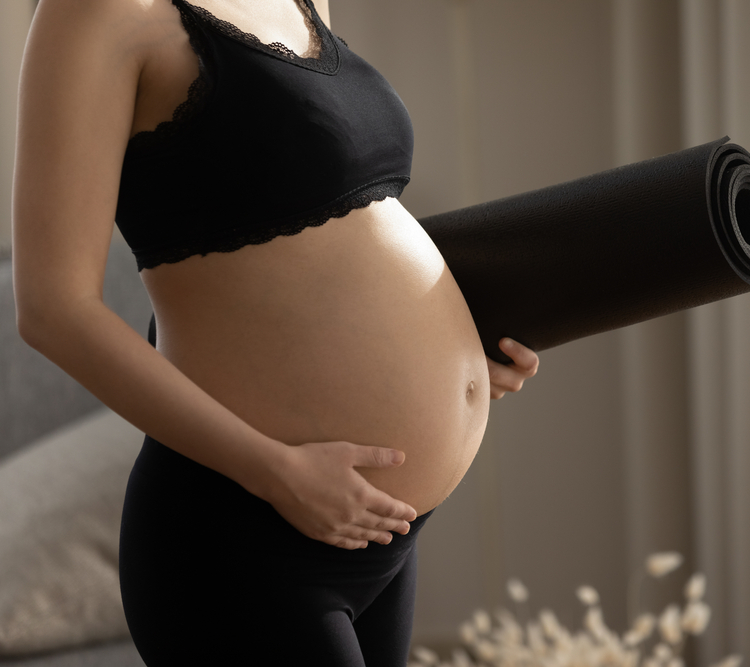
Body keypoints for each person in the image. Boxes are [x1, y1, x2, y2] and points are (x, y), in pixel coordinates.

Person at [12, 0, 539, 664]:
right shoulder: (96, 12)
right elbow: (53, 308)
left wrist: (458, 346)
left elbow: (320, 249)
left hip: (378, 530)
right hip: (243, 533)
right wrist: (278, 471)